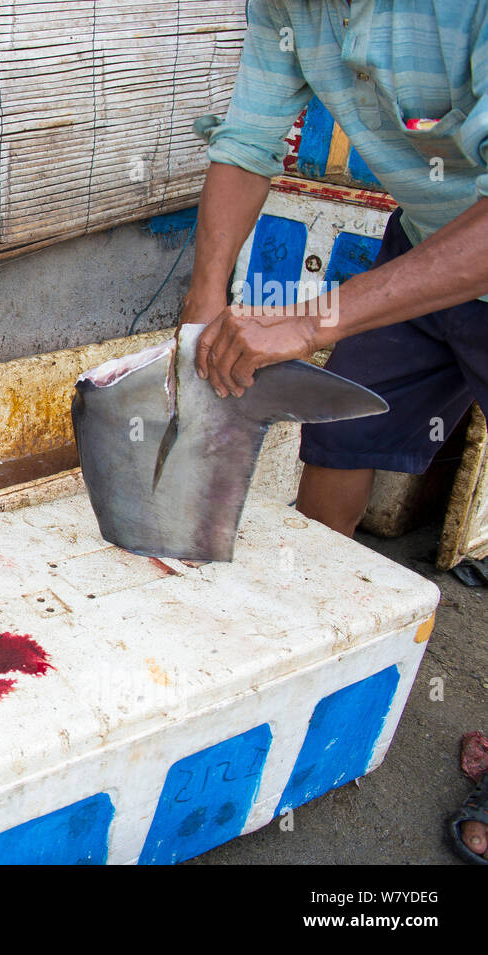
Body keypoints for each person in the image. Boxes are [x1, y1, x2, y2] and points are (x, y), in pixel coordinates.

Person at [180, 0, 488, 863]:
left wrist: (313, 319)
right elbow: (247, 141)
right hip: (431, 243)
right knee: (343, 429)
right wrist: (202, 311)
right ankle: (305, 660)